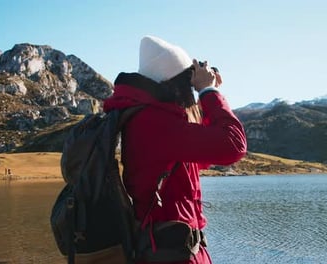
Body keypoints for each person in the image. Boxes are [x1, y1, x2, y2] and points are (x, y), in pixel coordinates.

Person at [103, 35, 247, 264]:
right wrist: (208, 92)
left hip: (168, 247)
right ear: (174, 83)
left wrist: (209, 94)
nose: (191, 90)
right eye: (188, 82)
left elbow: (204, 156)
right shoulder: (154, 121)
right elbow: (233, 146)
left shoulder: (150, 119)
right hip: (171, 252)